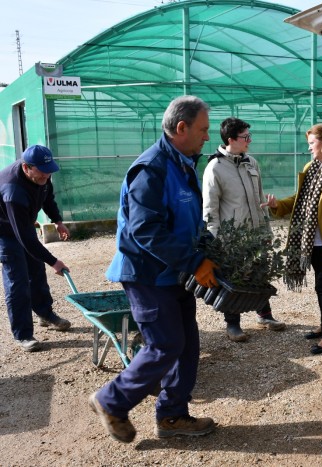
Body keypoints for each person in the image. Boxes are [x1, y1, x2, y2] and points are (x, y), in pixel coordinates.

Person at [88, 95, 219, 443]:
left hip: (173, 272)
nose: (207, 136)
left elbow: (189, 220)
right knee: (165, 344)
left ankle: (173, 416)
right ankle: (111, 400)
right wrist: (193, 261)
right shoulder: (152, 169)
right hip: (147, 274)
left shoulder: (183, 163)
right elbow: (144, 230)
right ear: (182, 128)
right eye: (203, 129)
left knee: (187, 345)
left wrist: (206, 248)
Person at [262, 123, 322, 354]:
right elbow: (300, 199)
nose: (309, 148)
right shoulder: (311, 167)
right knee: (320, 286)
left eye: (311, 143)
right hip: (307, 239)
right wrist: (278, 205)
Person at [202, 117, 286, 342]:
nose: (249, 140)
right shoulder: (215, 168)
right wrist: (216, 239)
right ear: (231, 139)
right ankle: (233, 325)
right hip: (232, 238)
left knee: (260, 273)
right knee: (235, 278)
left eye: (249, 136)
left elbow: (259, 198)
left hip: (256, 232)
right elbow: (210, 209)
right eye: (245, 137)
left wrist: (265, 230)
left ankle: (265, 315)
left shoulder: (252, 163)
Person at [0, 145, 72, 352]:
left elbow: (47, 196)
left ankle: (45, 315)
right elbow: (25, 238)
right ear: (26, 167)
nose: (46, 175)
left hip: (23, 224)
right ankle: (23, 335)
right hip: (5, 230)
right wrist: (54, 261)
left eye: (49, 170)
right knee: (18, 282)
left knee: (36, 271)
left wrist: (57, 220)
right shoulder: (13, 191)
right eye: (41, 171)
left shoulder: (42, 176)